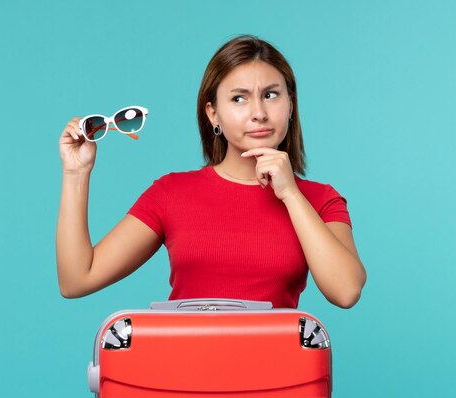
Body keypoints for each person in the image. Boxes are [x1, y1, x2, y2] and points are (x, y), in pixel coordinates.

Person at [56, 35, 366, 309]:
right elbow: (77, 280)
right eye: (238, 98)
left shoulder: (320, 199)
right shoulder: (171, 194)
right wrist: (76, 173)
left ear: (290, 105)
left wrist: (290, 194)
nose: (259, 113)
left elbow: (346, 291)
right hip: (183, 371)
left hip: (278, 372)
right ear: (212, 113)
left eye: (271, 95)